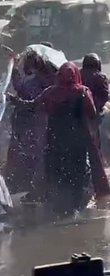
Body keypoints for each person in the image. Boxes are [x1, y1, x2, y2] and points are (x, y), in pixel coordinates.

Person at [40, 62, 110, 216]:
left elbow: (41, 108)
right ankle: (76, 206)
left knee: (58, 170)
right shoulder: (82, 92)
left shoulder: (50, 92)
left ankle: (59, 206)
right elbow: (91, 112)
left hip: (55, 138)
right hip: (78, 139)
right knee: (78, 171)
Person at [6, 51, 56, 195]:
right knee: (37, 153)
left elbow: (26, 96)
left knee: (30, 154)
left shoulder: (35, 80)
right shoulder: (50, 79)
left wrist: (14, 100)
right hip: (41, 122)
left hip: (31, 122)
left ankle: (31, 186)